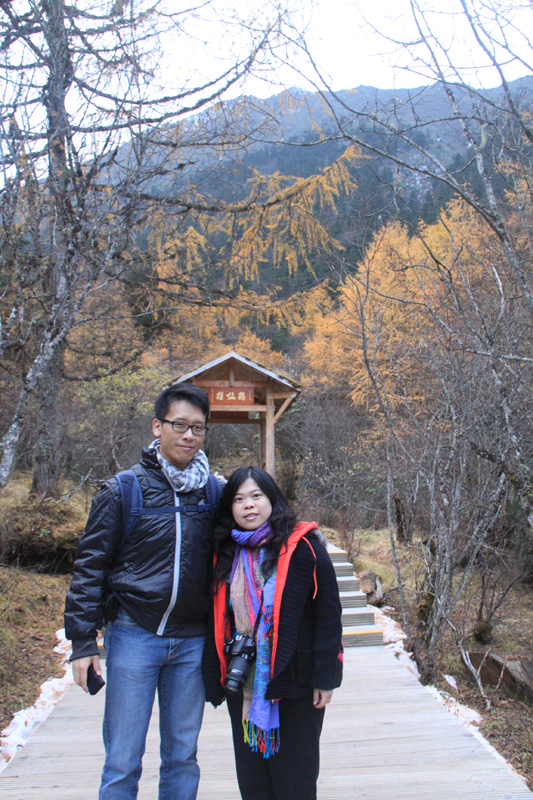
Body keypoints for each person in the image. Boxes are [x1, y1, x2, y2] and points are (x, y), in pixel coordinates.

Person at [64, 383, 219, 800]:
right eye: (179, 425)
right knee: (122, 760)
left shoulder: (213, 492)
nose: (189, 435)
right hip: (134, 633)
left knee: (183, 757)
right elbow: (90, 566)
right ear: (157, 426)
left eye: (198, 428)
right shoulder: (123, 489)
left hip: (192, 640)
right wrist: (82, 642)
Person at [202, 466, 343, 800]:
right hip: (243, 683)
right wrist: (213, 677)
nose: (248, 505)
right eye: (238, 499)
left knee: (296, 782)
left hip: (296, 683)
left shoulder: (303, 547)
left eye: (256, 495)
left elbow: (328, 614)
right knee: (254, 784)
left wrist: (326, 677)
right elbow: (215, 618)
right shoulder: (225, 553)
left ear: (272, 499)